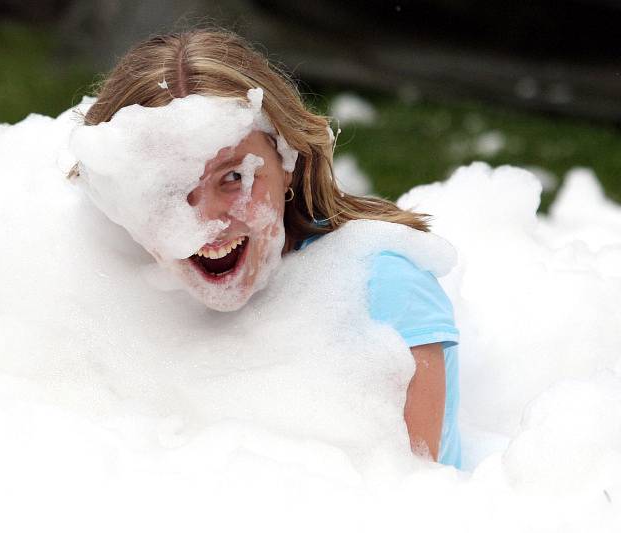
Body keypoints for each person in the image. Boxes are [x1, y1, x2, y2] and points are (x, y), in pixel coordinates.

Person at [78, 28, 461, 468]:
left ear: (289, 164)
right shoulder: (102, 274)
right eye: (170, 187)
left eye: (234, 177)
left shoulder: (380, 288)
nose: (207, 222)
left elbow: (410, 497)